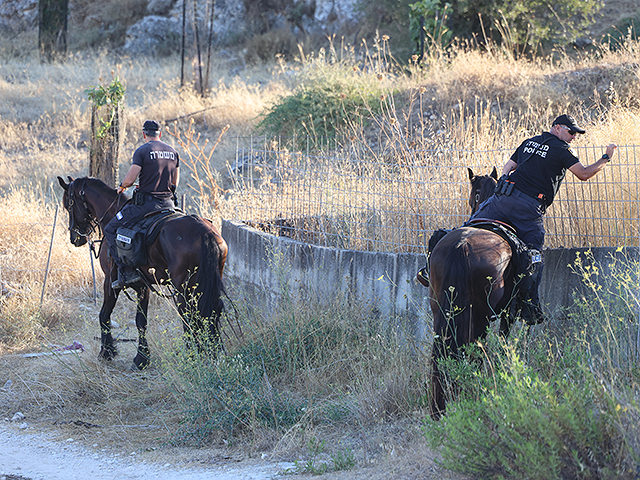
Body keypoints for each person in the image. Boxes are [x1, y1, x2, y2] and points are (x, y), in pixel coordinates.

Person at [468, 114, 617, 324]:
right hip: (527, 209)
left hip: (500, 200)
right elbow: (583, 174)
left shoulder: (528, 142)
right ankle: (529, 307)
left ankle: (430, 270)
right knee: (534, 255)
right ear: (556, 128)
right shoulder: (562, 150)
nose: (574, 136)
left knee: (469, 227)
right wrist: (606, 157)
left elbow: (508, 167)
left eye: (576, 133)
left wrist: (504, 182)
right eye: (570, 131)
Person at [104, 120, 180, 289]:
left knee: (110, 228)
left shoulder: (143, 151)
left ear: (144, 134)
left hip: (146, 206)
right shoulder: (173, 152)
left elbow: (130, 179)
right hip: (169, 205)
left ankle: (127, 271)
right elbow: (175, 182)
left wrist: (123, 186)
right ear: (160, 134)